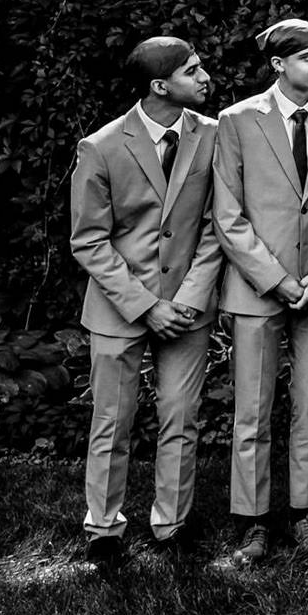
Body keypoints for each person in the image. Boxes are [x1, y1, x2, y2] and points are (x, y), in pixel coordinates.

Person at [69, 36, 222, 571]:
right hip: (119, 307)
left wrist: (187, 298)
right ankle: (103, 528)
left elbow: (215, 226)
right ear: (161, 86)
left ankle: (171, 523)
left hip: (188, 305)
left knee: (182, 416)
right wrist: (144, 304)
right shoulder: (102, 146)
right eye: (192, 70)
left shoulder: (213, 137)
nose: (205, 76)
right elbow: (88, 240)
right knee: (113, 420)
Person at [211, 19, 308, 567]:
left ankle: (305, 513)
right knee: (253, 409)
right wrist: (276, 278)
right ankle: (252, 523)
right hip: (256, 289)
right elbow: (228, 213)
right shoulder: (237, 121)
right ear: (278, 66)